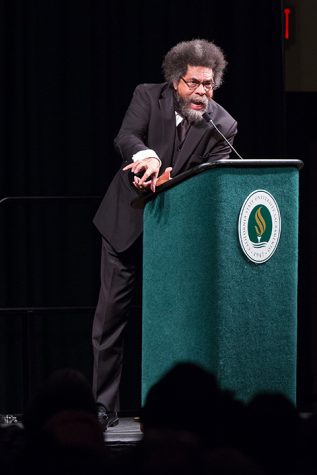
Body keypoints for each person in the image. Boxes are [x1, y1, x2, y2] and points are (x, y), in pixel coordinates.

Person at [92, 38, 238, 430]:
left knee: (173, 323)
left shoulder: (222, 126)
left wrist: (178, 181)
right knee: (110, 321)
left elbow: (212, 182)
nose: (201, 93)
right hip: (125, 224)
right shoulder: (146, 96)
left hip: (176, 235)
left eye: (208, 84)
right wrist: (148, 158)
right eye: (193, 83)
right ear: (176, 81)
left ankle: (168, 410)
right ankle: (103, 408)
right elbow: (126, 138)